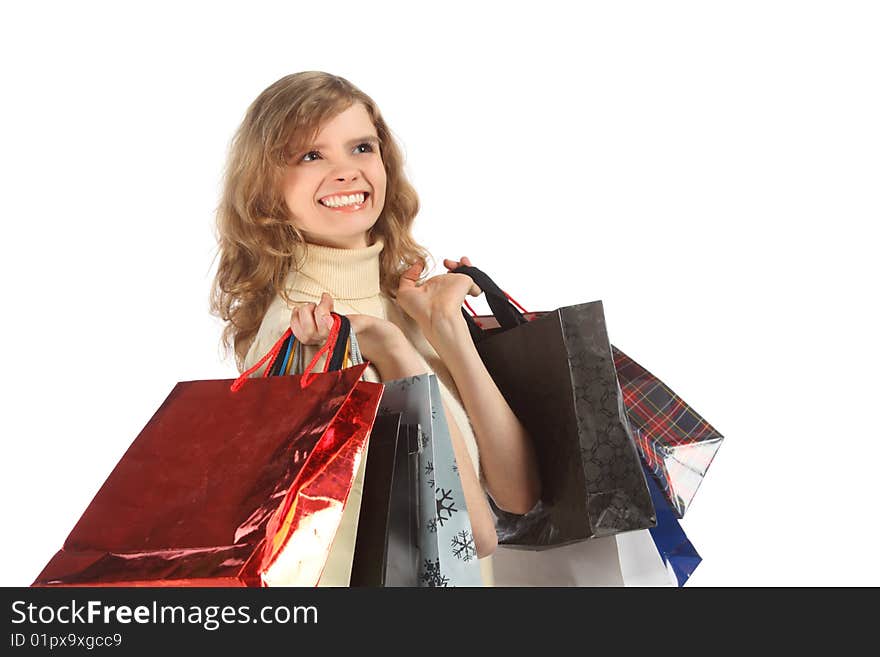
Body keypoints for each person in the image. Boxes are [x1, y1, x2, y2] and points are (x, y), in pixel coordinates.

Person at [209, 71, 541, 586]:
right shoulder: (302, 337)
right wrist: (395, 352)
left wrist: (449, 334)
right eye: (310, 156)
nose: (346, 172)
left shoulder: (401, 298)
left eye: (361, 147)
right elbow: (473, 534)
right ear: (266, 190)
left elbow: (519, 496)